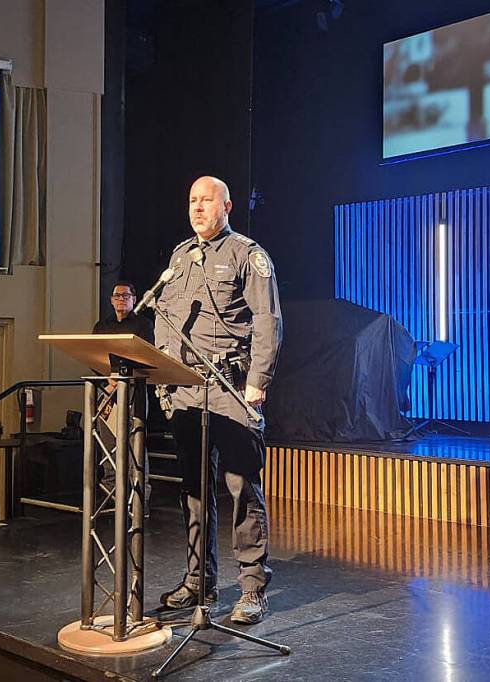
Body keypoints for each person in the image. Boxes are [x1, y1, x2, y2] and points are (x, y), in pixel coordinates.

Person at [154, 176, 282, 625]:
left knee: (241, 486)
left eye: (205, 200)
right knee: (193, 491)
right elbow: (166, 318)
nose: (197, 208)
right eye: (191, 201)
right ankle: (199, 581)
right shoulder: (180, 256)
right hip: (188, 390)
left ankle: (251, 588)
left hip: (231, 387)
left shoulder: (248, 255)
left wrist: (257, 381)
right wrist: (164, 376)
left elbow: (268, 322)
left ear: (226, 205)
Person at [92, 281, 154, 508]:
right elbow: (93, 356)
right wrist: (108, 380)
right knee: (108, 445)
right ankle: (111, 498)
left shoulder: (142, 325)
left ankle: (139, 503)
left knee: (134, 446)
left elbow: (145, 357)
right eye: (117, 295)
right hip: (106, 390)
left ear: (134, 299)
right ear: (110, 300)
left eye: (126, 295)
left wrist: (121, 379)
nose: (121, 299)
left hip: (133, 392)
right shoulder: (101, 326)